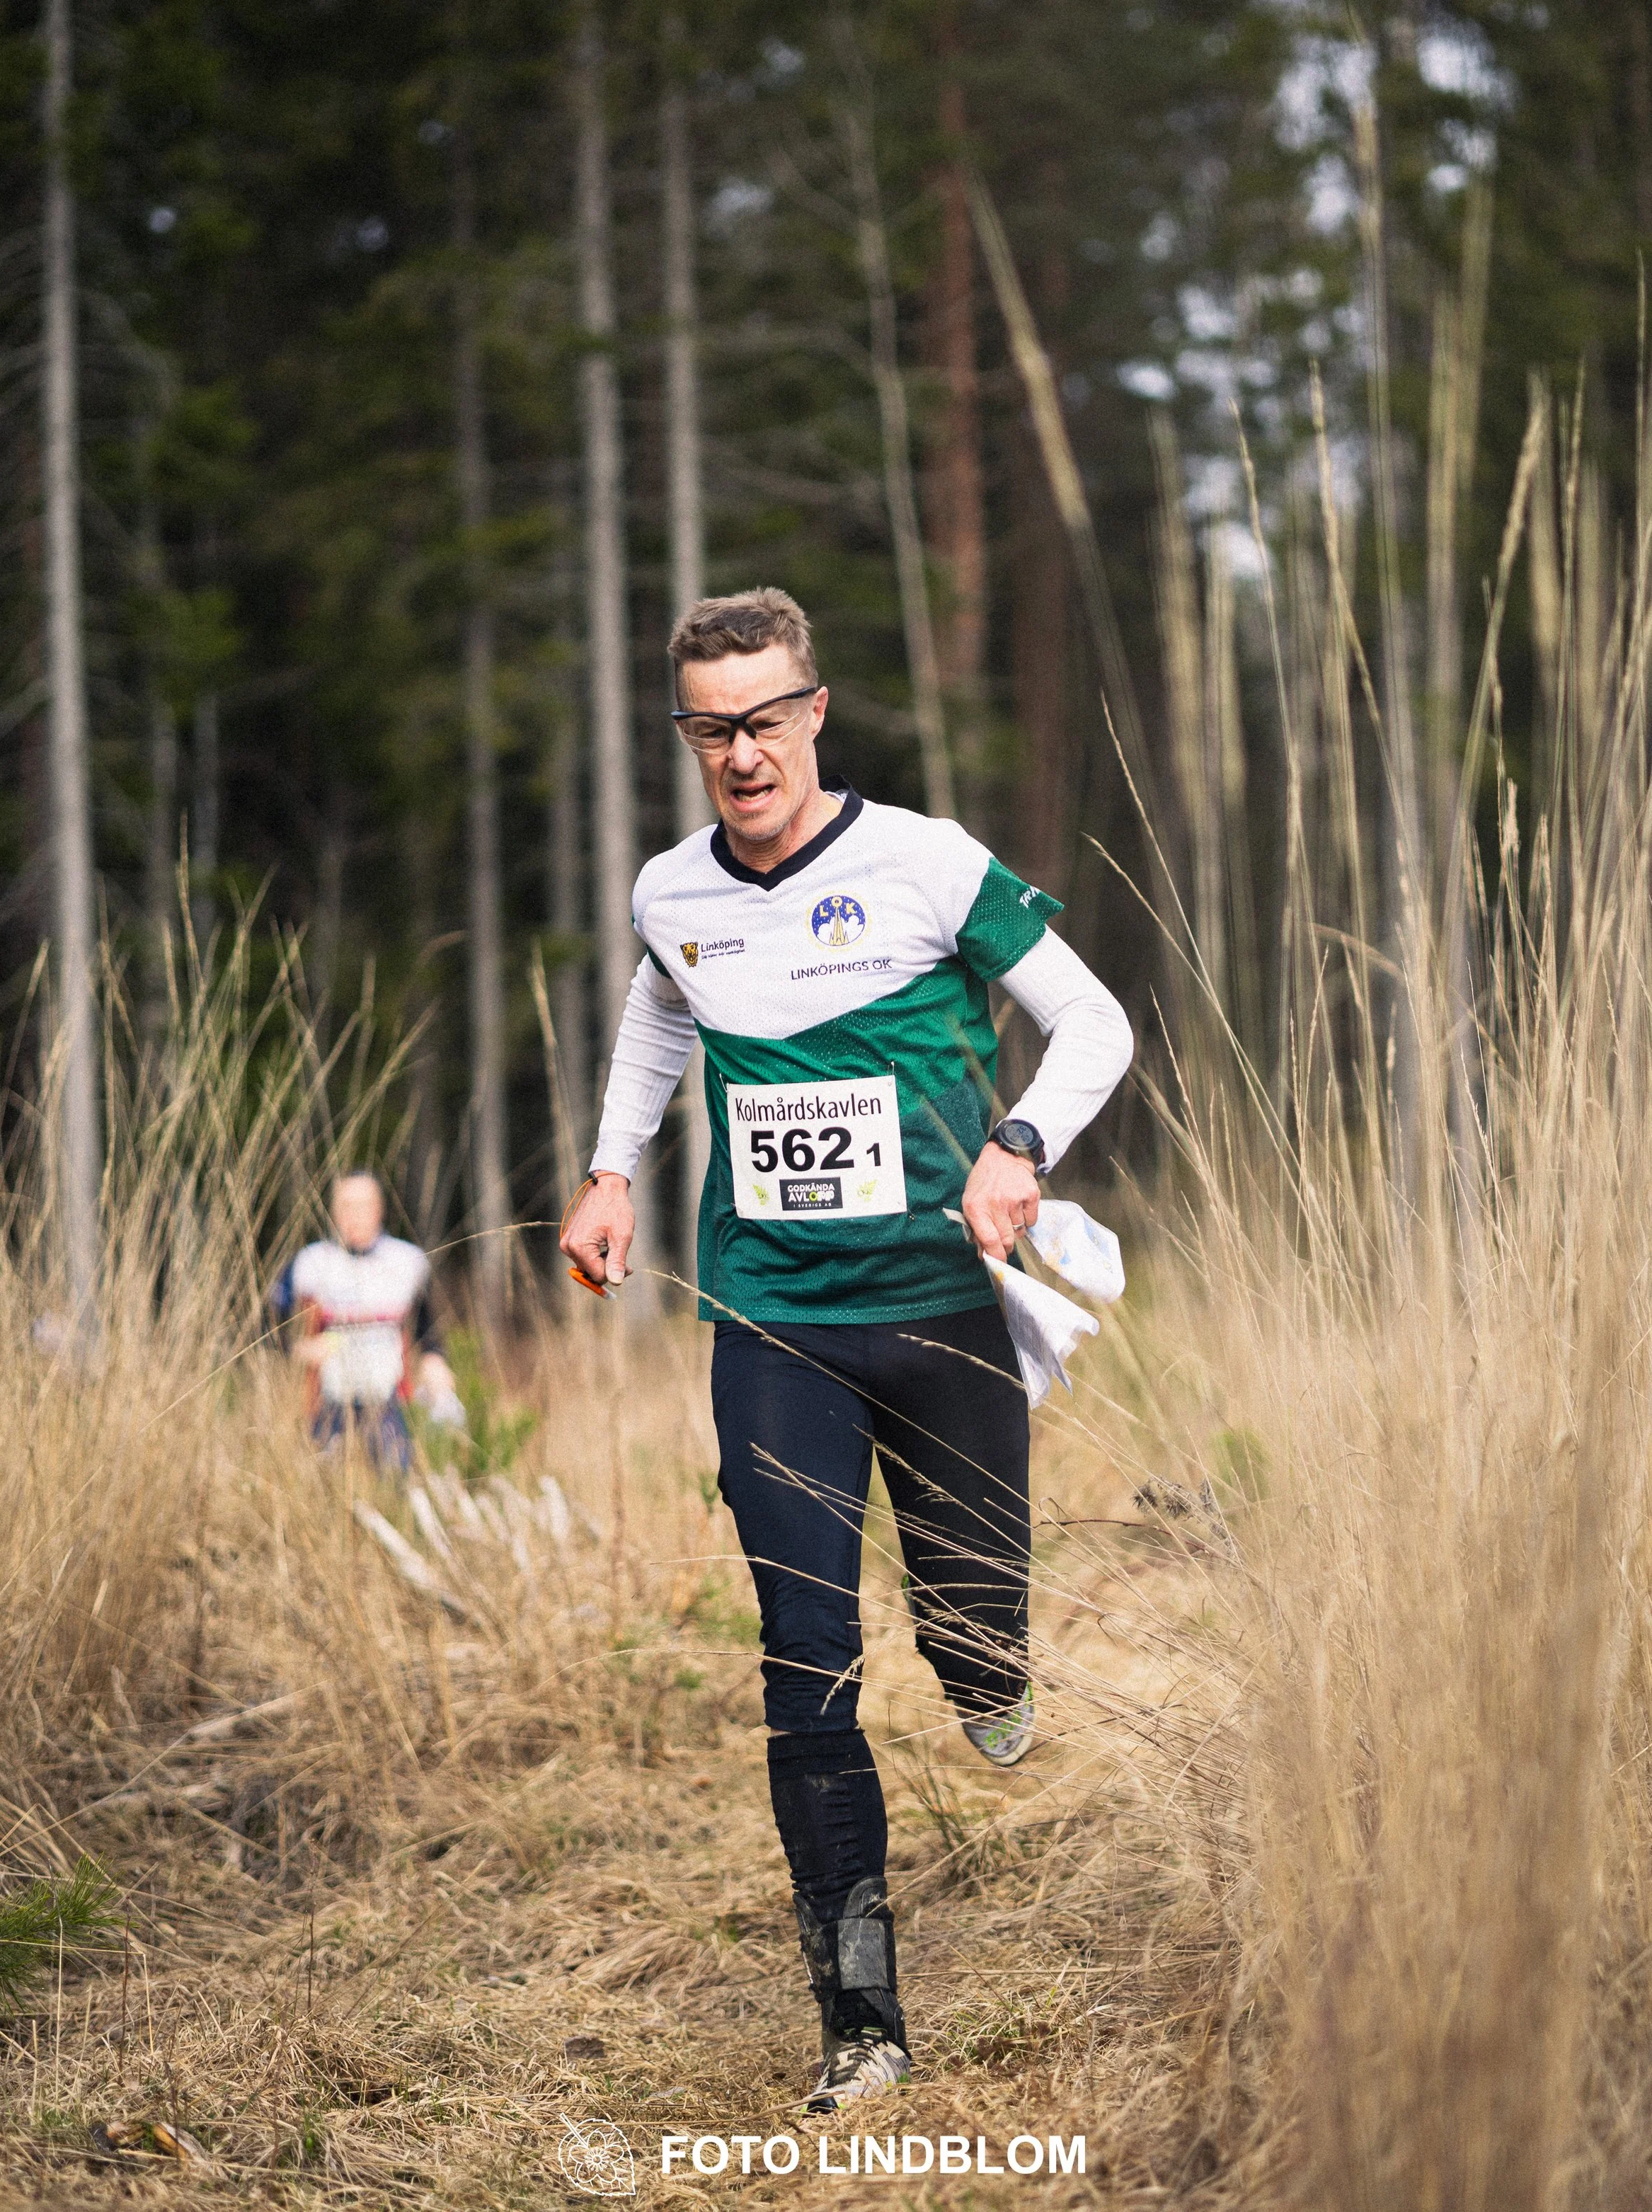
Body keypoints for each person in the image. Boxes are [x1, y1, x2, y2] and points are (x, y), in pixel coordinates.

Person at [561, 588, 1133, 2114]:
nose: (741, 754)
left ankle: (984, 1658)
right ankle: (860, 2020)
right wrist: (612, 1169)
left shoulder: (927, 863)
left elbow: (1095, 1024)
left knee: (973, 1635)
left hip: (941, 1311)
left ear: (813, 711)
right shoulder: (672, 892)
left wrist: (1018, 1144)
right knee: (803, 1659)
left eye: (764, 720)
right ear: (685, 735)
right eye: (710, 730)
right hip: (775, 1318)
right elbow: (659, 1013)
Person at [280, 1171, 441, 1470]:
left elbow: (428, 1325)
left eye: (363, 1206)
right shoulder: (311, 1263)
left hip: (388, 1400)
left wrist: (434, 1359)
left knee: (395, 1477)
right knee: (322, 1477)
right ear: (333, 1211)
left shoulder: (407, 1261)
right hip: (328, 1400)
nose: (354, 1216)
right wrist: (299, 1349)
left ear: (379, 1209)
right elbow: (267, 1322)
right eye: (346, 1206)